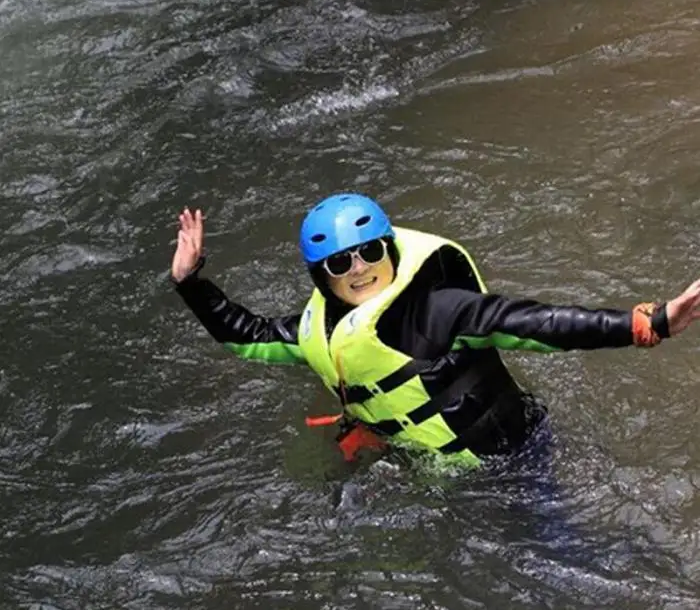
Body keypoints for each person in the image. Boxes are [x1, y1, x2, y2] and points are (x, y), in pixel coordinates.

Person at [171, 193, 700, 467]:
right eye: (339, 264)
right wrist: (191, 281)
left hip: (507, 460)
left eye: (369, 252)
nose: (358, 269)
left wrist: (650, 323)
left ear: (389, 247)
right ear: (320, 277)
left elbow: (541, 323)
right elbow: (248, 336)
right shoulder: (318, 327)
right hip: (425, 463)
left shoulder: (441, 309)